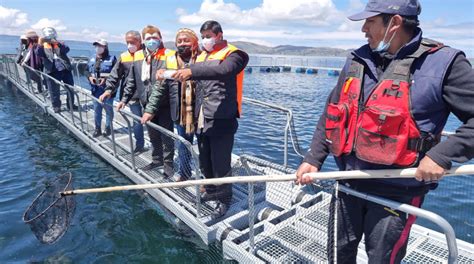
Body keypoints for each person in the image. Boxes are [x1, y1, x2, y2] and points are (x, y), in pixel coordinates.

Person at [295, 0, 474, 263]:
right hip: (347, 182)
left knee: (383, 259)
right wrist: (313, 159)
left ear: (395, 23)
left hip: (397, 190)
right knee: (337, 256)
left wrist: (442, 155)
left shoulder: (446, 64)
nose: (363, 29)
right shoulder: (358, 58)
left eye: (370, 21)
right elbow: (333, 111)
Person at [173, 20, 249, 218]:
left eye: (209, 35)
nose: (206, 39)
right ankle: (211, 190)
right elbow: (190, 70)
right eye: (203, 36)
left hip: (222, 117)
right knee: (205, 157)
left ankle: (224, 199)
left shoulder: (235, 54)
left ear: (220, 35)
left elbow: (224, 71)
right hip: (201, 116)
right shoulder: (203, 55)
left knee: (220, 161)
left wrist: (192, 71)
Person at [142, 28, 200, 182]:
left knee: (205, 147)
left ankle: (207, 180)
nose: (183, 44)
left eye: (186, 40)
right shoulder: (171, 60)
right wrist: (149, 110)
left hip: (202, 112)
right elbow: (160, 87)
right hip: (182, 110)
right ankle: (184, 172)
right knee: (183, 144)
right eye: (179, 41)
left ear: (195, 42)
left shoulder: (203, 58)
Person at [118, 25, 175, 177]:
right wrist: (124, 99)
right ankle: (157, 159)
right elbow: (131, 80)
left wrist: (151, 108)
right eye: (148, 38)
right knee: (153, 134)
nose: (151, 41)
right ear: (143, 40)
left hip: (164, 104)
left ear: (160, 38)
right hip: (145, 102)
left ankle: (169, 165)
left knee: (166, 136)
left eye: (155, 37)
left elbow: (165, 83)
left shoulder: (169, 55)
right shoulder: (137, 55)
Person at [100, 30, 145, 152]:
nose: (129, 45)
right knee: (136, 122)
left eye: (132, 42)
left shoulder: (148, 54)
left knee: (153, 124)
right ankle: (140, 145)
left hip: (148, 96)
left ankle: (159, 152)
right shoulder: (124, 56)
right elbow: (115, 75)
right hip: (132, 96)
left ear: (139, 41)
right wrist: (108, 89)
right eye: (127, 42)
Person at [37, 27, 77, 113]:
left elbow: (66, 49)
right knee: (53, 90)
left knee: (70, 88)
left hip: (65, 69)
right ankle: (56, 106)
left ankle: (71, 105)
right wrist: (40, 43)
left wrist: (57, 43)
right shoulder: (43, 46)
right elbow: (38, 53)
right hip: (52, 70)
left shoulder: (60, 43)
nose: (49, 39)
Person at [87, 39, 117, 137]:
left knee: (108, 110)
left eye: (100, 46)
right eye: (96, 46)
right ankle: (97, 129)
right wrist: (89, 77)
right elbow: (86, 71)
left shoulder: (112, 59)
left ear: (105, 47)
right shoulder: (92, 58)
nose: (98, 48)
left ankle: (108, 127)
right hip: (95, 90)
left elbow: (116, 74)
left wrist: (106, 79)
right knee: (97, 110)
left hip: (107, 90)